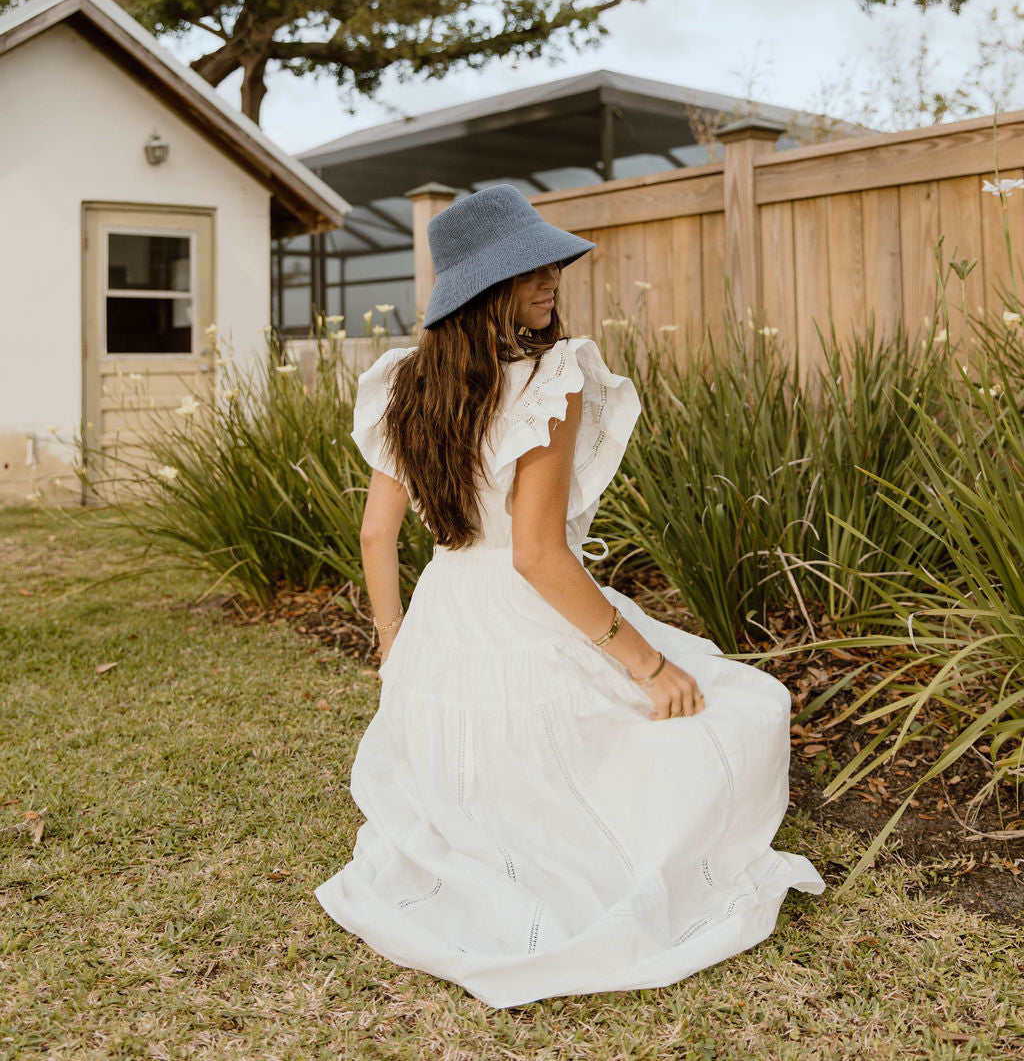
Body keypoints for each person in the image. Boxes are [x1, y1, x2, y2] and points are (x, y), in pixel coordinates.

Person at [315, 185, 825, 1008]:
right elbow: (539, 556)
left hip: (444, 616)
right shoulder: (551, 377)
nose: (550, 277)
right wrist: (647, 662)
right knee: (742, 705)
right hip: (527, 608)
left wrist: (393, 640)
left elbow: (379, 534)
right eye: (527, 269)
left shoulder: (406, 385)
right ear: (484, 289)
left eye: (549, 260)